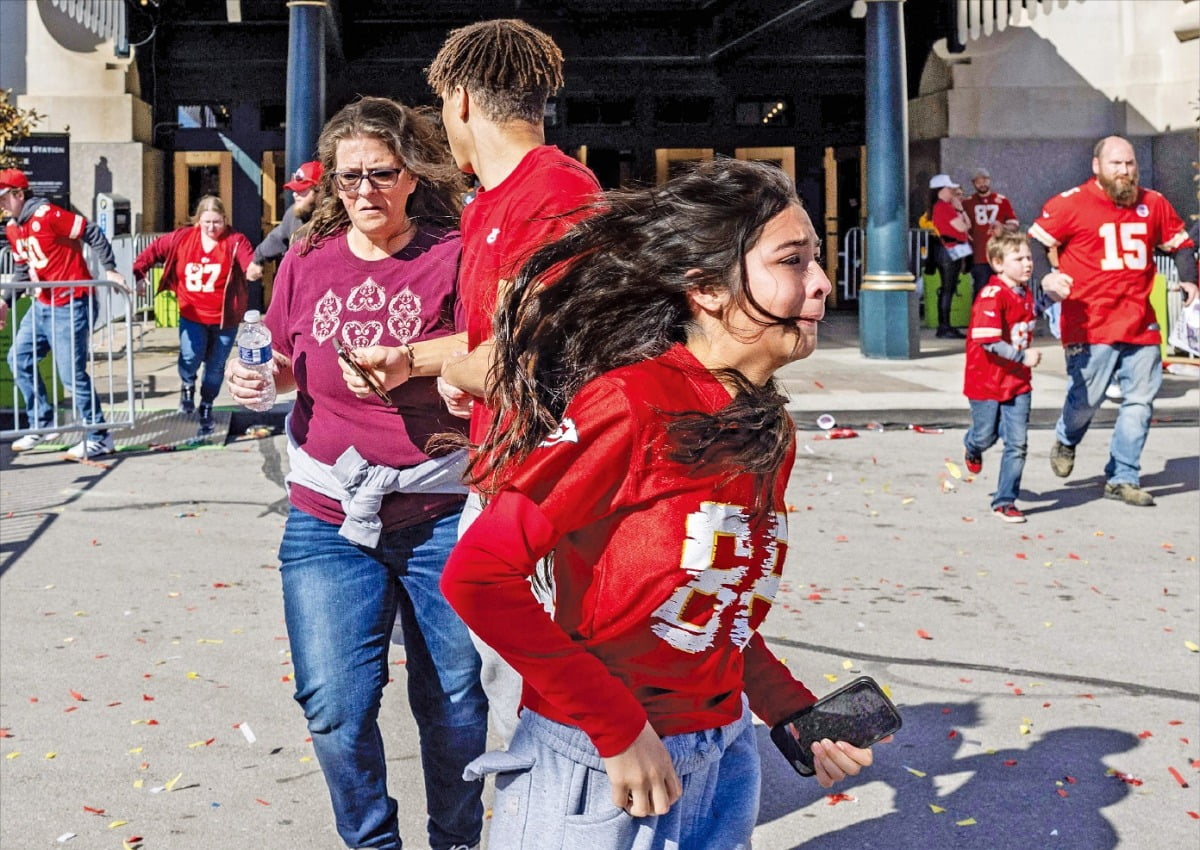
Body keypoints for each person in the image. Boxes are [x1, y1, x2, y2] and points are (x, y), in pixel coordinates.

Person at [439, 159, 883, 849]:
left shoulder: (767, 426)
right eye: (792, 261)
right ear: (705, 289)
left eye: (816, 260)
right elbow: (478, 575)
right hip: (598, 769)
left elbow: (713, 604)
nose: (822, 284)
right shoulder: (630, 404)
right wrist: (614, 727)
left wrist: (789, 708)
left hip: (723, 759)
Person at [225, 96, 488, 850]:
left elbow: (496, 345)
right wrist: (260, 380)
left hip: (439, 511)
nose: (364, 190)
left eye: (382, 173)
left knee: (458, 710)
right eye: (348, 178)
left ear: (412, 176)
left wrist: (418, 362)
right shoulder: (308, 260)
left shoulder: (455, 252)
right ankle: (372, 844)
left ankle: (456, 841)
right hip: (328, 516)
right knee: (335, 708)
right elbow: (281, 360)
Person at [347, 18, 602, 744]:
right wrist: (412, 360)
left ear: (459, 100)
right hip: (495, 477)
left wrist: (465, 371)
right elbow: (491, 335)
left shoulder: (558, 193)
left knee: (546, 703)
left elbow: (531, 350)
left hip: (549, 491)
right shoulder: (487, 200)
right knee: (505, 690)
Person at [1029, 135, 1197, 507]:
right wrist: (1046, 276)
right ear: (1097, 166)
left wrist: (1187, 279)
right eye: (1116, 164)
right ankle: (1066, 437)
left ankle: (1123, 475)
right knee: (1087, 398)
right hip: (1089, 322)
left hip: (1140, 323)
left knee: (1140, 401)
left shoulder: (1153, 203)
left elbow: (1181, 244)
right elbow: (1036, 240)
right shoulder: (1071, 203)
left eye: (1130, 163)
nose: (1125, 171)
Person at [1, 167, 125, 458]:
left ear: (20, 194)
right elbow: (22, 270)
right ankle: (42, 422)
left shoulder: (47, 215)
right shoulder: (12, 227)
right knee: (18, 358)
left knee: (71, 374)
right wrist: (6, 300)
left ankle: (99, 435)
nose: (2, 204)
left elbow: (90, 230)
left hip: (72, 302)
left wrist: (110, 269)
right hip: (42, 303)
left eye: (5, 197)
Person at [133, 195, 254, 435]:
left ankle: (207, 404)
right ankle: (187, 384)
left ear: (225, 220)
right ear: (197, 220)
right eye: (207, 222)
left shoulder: (235, 241)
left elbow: (248, 261)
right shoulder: (183, 238)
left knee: (215, 367)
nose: (212, 228)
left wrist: (253, 269)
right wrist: (139, 273)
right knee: (190, 357)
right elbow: (153, 250)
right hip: (192, 314)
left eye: (217, 222)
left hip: (224, 318)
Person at [962, 230, 1041, 523]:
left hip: (1018, 382)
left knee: (1017, 443)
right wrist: (1023, 356)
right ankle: (972, 445)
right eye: (1018, 258)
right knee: (986, 435)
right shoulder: (992, 295)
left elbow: (1029, 316)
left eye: (1029, 257)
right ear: (997, 263)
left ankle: (1005, 500)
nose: (1027, 263)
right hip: (986, 382)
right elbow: (988, 340)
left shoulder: (1025, 292)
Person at [244, 160, 323, 309]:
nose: (295, 194)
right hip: (302, 295)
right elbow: (277, 237)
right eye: (294, 189)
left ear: (321, 192)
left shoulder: (339, 220)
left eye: (302, 190)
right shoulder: (294, 214)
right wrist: (257, 260)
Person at [962, 167, 1019, 300]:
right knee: (981, 289)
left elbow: (1014, 224)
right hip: (979, 255)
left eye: (985, 180)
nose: (982, 184)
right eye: (978, 181)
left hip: (1000, 253)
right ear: (973, 183)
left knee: (1003, 289)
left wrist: (1003, 227)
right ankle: (981, 318)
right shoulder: (967, 203)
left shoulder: (1002, 200)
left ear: (989, 181)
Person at [927, 173, 972, 339]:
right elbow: (963, 227)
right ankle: (944, 326)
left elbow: (966, 225)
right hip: (948, 249)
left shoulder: (942, 206)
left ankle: (945, 325)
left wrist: (959, 210)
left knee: (949, 288)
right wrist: (960, 210)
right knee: (948, 288)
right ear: (942, 189)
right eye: (949, 188)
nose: (952, 192)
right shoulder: (943, 207)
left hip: (948, 249)